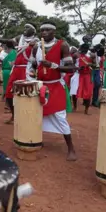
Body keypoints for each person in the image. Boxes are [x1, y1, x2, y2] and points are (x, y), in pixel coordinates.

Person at [31, 22, 78, 161]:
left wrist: (52, 65)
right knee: (37, 114)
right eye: (42, 30)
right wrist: (33, 70)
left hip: (56, 86)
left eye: (47, 30)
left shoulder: (62, 45)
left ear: (54, 32)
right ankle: (36, 140)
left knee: (60, 116)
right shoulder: (36, 47)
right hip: (41, 85)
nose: (44, 32)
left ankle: (71, 148)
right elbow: (33, 65)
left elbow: (71, 68)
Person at [4, 24, 37, 123]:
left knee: (27, 93)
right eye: (25, 27)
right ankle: (14, 115)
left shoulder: (37, 40)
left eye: (28, 28)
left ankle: (27, 116)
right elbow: (10, 41)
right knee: (9, 93)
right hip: (16, 69)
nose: (25, 29)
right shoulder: (20, 38)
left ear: (33, 30)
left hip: (27, 69)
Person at [75, 43, 94, 114]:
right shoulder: (78, 57)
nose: (84, 51)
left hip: (87, 76)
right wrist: (79, 68)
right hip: (79, 75)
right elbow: (74, 66)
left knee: (88, 93)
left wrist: (91, 64)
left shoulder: (90, 57)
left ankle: (86, 110)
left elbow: (94, 66)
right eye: (84, 49)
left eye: (86, 49)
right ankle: (75, 107)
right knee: (76, 91)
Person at [0, 39, 16, 104]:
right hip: (7, 71)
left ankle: (7, 103)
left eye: (5, 45)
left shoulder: (12, 53)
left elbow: (12, 63)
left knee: (7, 86)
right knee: (7, 86)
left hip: (9, 71)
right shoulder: (13, 52)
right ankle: (7, 102)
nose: (3, 46)